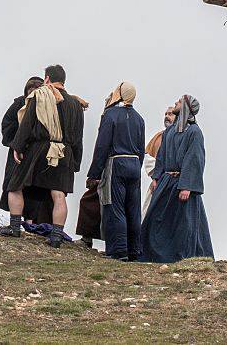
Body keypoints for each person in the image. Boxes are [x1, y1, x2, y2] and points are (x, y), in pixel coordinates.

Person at [0, 64, 84, 248]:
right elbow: (78, 137)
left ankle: (14, 227)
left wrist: (17, 146)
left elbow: (27, 124)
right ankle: (56, 236)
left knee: (15, 185)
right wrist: (75, 161)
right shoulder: (77, 105)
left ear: (47, 79)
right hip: (65, 152)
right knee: (59, 194)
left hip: (40, 148)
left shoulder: (40, 95)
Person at [138, 95, 213, 262]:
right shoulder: (170, 131)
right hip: (166, 182)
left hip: (182, 184)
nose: (175, 104)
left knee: (184, 224)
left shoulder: (194, 132)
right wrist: (157, 177)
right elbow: (162, 155)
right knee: (154, 218)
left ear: (186, 107)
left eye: (179, 102)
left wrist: (187, 186)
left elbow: (194, 159)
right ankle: (153, 254)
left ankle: (180, 257)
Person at [87, 82, 145, 261]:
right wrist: (137, 166)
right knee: (133, 210)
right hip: (135, 165)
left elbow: (102, 145)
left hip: (116, 163)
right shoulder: (139, 118)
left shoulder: (110, 115)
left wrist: (94, 174)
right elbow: (141, 149)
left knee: (115, 208)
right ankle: (134, 250)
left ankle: (118, 251)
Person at [0, 78, 52, 224]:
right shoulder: (19, 104)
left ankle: (29, 219)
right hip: (18, 151)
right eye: (31, 90)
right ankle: (14, 219)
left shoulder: (47, 106)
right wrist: (16, 143)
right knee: (14, 184)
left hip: (36, 152)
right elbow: (7, 123)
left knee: (32, 186)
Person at [142, 108, 177, 219]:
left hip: (175, 183)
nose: (166, 116)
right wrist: (158, 173)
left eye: (170, 114)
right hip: (158, 182)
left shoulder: (183, 136)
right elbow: (147, 157)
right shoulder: (158, 137)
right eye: (165, 114)